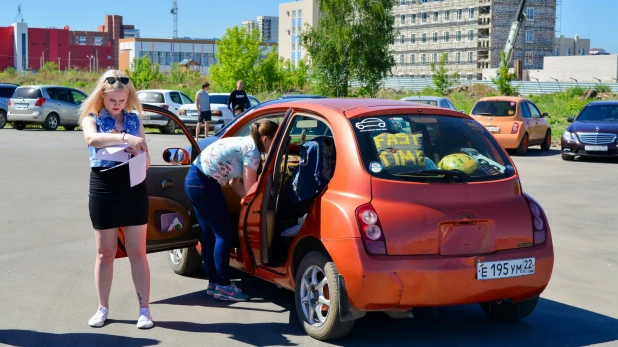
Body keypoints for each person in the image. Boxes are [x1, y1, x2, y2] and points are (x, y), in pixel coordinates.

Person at [79, 69, 154, 329]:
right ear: (102, 94)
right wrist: (124, 138)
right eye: (113, 100)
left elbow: (147, 160)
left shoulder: (134, 119)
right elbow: (92, 139)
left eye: (122, 101)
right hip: (104, 187)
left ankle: (144, 310)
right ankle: (102, 308)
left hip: (133, 186)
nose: (117, 105)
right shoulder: (92, 117)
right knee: (105, 253)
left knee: (137, 251)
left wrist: (138, 152)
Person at [185, 120, 279, 301]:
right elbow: (252, 190)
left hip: (193, 180)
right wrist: (265, 180)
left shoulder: (244, 142)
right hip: (206, 185)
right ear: (266, 139)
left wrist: (246, 203)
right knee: (224, 235)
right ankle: (224, 287)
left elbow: (235, 183)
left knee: (209, 236)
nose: (275, 147)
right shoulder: (252, 153)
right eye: (275, 142)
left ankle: (214, 284)